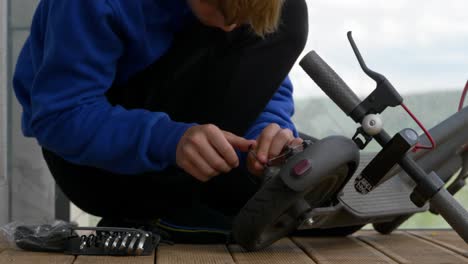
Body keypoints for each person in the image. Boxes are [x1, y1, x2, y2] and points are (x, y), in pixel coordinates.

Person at [13, 0, 308, 242]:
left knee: (290, 13)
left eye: (243, 22)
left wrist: (267, 132)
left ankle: (216, 195)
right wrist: (168, 140)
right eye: (218, 7)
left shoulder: (234, 16)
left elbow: (260, 79)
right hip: (97, 170)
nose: (230, 25)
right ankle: (163, 215)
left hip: (195, 153)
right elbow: (60, 117)